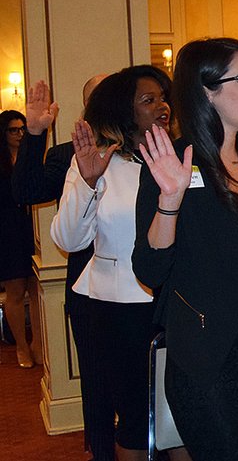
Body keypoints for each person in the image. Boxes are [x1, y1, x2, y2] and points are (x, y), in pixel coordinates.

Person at [133, 38, 238, 461]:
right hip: (210, 359)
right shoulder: (172, 161)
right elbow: (150, 269)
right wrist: (169, 199)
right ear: (206, 91)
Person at [51, 66, 174, 461]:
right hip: (118, 309)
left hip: (177, 304)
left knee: (181, 418)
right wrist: (87, 182)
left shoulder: (182, 155)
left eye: (163, 97)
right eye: (148, 100)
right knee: (137, 421)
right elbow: (68, 239)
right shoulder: (97, 160)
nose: (162, 106)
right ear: (125, 110)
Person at [11, 76, 114, 458]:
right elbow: (26, 192)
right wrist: (35, 134)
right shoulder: (65, 155)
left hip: (147, 289)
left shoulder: (151, 150)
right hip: (88, 290)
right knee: (98, 386)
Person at [0, 110, 39, 369]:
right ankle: (21, 347)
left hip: (29, 226)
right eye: (14, 130)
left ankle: (37, 343)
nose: (20, 134)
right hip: (6, 230)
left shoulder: (29, 157)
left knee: (36, 287)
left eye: (23, 128)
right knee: (15, 290)